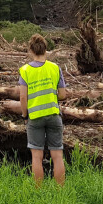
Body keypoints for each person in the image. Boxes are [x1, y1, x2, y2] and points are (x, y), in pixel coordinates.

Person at [18, 33, 67, 187]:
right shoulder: (55, 68)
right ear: (46, 49)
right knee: (57, 156)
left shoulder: (25, 70)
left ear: (30, 50)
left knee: (37, 156)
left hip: (35, 117)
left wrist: (25, 116)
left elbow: (23, 98)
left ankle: (38, 191)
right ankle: (61, 191)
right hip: (53, 115)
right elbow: (63, 94)